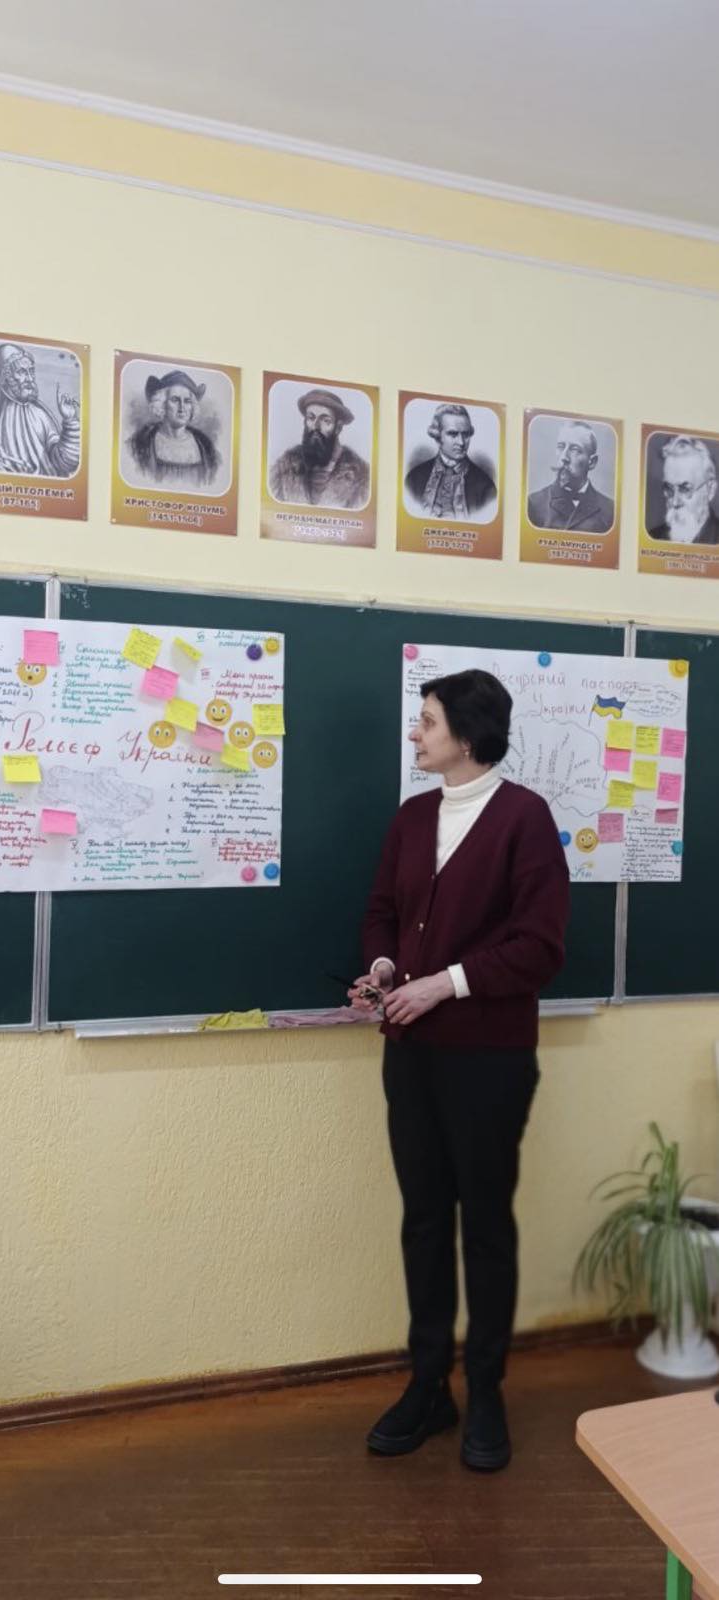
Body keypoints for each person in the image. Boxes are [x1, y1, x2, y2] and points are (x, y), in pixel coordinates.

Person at [350, 670, 569, 1472]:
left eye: (428, 721)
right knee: (421, 1219)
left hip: (488, 1058)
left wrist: (442, 984)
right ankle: (427, 1386)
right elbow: (383, 912)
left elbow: (539, 947)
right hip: (410, 1054)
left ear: (468, 736)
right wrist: (383, 969)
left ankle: (484, 1392)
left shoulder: (523, 819)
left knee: (483, 1223)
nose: (414, 733)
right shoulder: (412, 818)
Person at [0, 342, 80, 477]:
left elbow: (64, 464)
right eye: (21, 372)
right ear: (5, 376)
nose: (30, 378)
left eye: (31, 371)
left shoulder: (39, 415)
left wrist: (70, 422)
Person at [269, 387, 370, 509]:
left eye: (325, 420)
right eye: (311, 418)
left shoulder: (362, 475)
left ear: (338, 428)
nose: (315, 426)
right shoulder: (284, 466)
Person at [128, 370, 220, 487]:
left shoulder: (205, 446)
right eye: (175, 400)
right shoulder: (140, 443)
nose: (182, 408)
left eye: (187, 401)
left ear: (192, 407)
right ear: (162, 404)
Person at [404, 403, 496, 519]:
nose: (461, 442)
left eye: (466, 435)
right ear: (437, 437)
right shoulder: (414, 478)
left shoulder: (485, 487)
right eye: (453, 434)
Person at [527, 419, 614, 532]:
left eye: (575, 449)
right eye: (561, 446)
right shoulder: (534, 504)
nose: (564, 457)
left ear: (592, 462)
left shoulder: (610, 511)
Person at [647, 435, 719, 544]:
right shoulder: (653, 538)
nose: (675, 502)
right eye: (669, 488)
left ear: (710, 490)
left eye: (685, 489)